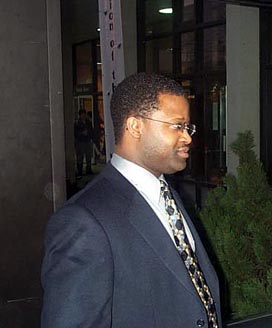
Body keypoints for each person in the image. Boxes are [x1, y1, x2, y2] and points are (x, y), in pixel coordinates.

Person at [42, 73, 221, 327]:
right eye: (177, 126)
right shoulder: (83, 222)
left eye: (188, 127)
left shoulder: (167, 196)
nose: (188, 137)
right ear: (135, 126)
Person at [74, 109, 93, 176]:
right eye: (82, 114)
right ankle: (80, 171)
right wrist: (82, 133)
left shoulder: (88, 122)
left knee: (88, 156)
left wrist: (90, 136)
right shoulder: (77, 123)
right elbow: (75, 133)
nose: (84, 116)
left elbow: (91, 130)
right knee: (80, 156)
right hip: (80, 142)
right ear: (80, 115)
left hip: (87, 141)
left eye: (84, 114)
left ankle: (88, 169)